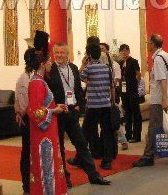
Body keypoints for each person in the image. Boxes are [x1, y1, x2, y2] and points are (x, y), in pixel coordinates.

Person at [47, 43, 111, 187]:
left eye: (62, 52)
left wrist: (78, 106)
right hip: (58, 112)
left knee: (82, 144)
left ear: (67, 54)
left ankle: (93, 176)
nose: (59, 55)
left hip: (72, 111)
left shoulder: (74, 68)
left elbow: (78, 90)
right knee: (60, 147)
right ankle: (65, 177)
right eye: (57, 53)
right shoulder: (50, 70)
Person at [133, 34, 168, 167]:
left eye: (148, 43)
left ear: (153, 44)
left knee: (154, 127)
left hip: (159, 99)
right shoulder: (166, 55)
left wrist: (163, 100)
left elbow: (163, 80)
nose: (147, 45)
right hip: (167, 96)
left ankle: (148, 156)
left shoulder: (158, 59)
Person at [27, 48, 69, 195]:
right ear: (43, 64)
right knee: (46, 168)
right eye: (49, 61)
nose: (51, 63)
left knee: (50, 166)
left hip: (48, 132)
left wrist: (55, 107)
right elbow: (35, 111)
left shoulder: (39, 81)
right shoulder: (37, 83)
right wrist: (54, 111)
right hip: (43, 135)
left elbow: (43, 107)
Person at [80, 37, 115, 170]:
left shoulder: (89, 68)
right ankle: (107, 161)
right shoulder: (107, 68)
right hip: (106, 104)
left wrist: (83, 64)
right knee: (107, 133)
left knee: (85, 132)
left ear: (89, 55)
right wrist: (112, 101)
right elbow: (111, 85)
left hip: (93, 106)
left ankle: (81, 158)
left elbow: (79, 77)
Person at [15, 49, 34, 195]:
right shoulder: (29, 78)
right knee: (28, 152)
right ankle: (28, 185)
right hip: (32, 118)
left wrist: (18, 112)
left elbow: (18, 99)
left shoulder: (22, 77)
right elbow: (27, 100)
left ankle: (27, 185)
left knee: (27, 152)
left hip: (27, 116)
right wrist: (21, 112)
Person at [118, 44, 142, 144]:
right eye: (122, 51)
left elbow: (138, 75)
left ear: (128, 51)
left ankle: (137, 135)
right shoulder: (120, 63)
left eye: (125, 50)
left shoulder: (133, 61)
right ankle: (128, 134)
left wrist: (135, 84)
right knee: (127, 112)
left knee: (135, 113)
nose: (124, 52)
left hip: (132, 90)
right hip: (124, 91)